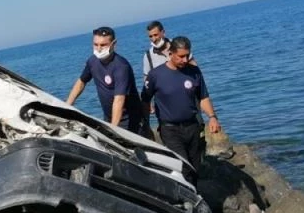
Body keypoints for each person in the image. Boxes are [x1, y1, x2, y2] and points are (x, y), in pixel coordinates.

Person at [140, 36, 220, 185]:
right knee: (183, 166)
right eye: (181, 56)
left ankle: (193, 194)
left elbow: (203, 97)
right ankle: (184, 196)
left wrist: (212, 117)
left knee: (195, 167)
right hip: (170, 130)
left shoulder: (194, 71)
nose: (185, 60)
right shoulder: (156, 75)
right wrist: (146, 125)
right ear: (170, 54)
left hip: (193, 127)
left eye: (187, 56)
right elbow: (145, 100)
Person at [66, 26, 143, 133]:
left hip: (129, 121)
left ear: (114, 44)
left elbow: (119, 100)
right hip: (108, 117)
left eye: (103, 45)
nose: (98, 49)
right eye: (95, 44)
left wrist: (113, 130)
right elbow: (81, 82)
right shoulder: (92, 61)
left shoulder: (121, 66)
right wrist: (67, 105)